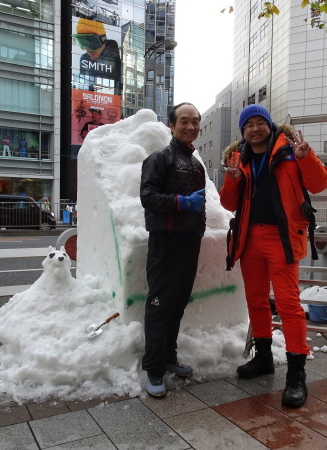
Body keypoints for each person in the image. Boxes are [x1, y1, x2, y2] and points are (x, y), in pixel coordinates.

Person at [219, 104, 327, 408]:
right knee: (255, 300)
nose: (255, 129)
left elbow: (320, 184)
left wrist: (307, 158)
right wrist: (232, 178)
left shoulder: (290, 150)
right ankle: (263, 358)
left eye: (259, 123)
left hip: (281, 237)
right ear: (243, 132)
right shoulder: (238, 158)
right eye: (248, 125)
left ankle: (296, 375)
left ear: (269, 125)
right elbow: (228, 204)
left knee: (289, 304)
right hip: (249, 237)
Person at [140, 102, 206, 397]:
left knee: (177, 304)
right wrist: (182, 203)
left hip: (189, 242)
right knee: (159, 306)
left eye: (195, 121)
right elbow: (148, 197)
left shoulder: (197, 164)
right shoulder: (159, 158)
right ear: (171, 125)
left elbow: (201, 205)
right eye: (184, 121)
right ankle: (153, 366)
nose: (190, 126)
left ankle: (168, 357)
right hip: (164, 242)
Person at [73, 18, 122, 93]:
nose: (88, 49)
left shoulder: (114, 61)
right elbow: (82, 87)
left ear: (103, 40)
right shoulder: (84, 59)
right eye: (83, 43)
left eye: (92, 43)